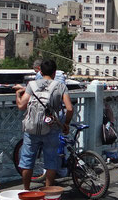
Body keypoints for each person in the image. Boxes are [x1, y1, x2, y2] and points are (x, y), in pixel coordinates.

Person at [13, 59, 74, 190]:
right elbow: (69, 108)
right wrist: (66, 124)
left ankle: (26, 189)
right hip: (51, 127)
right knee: (51, 160)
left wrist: (18, 95)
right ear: (54, 73)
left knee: (27, 160)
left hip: (32, 127)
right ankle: (48, 191)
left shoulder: (31, 84)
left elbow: (21, 105)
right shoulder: (60, 86)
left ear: (40, 71)